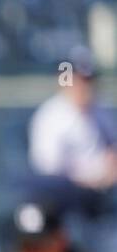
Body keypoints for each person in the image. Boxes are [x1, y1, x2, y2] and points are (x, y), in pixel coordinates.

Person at [28, 48, 117, 218]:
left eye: (88, 80)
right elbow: (50, 174)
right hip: (68, 202)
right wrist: (91, 178)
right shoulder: (50, 117)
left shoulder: (102, 109)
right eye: (79, 80)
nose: (85, 86)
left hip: (106, 195)